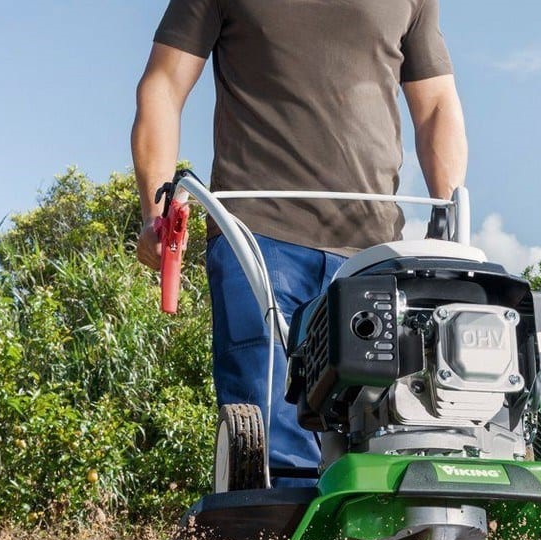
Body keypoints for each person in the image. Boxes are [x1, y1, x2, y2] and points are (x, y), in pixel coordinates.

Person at [131, 0, 468, 478]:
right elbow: (163, 84)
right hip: (256, 234)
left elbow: (435, 104)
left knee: (380, 438)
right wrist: (156, 208)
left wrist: (450, 214)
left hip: (372, 252)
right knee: (272, 442)